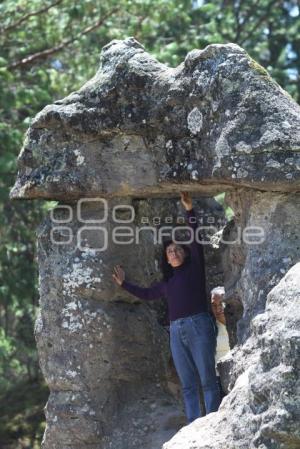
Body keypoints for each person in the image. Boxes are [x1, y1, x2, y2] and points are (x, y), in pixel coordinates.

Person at [112, 192, 221, 424]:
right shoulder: (167, 284)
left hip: (198, 324)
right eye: (169, 252)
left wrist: (189, 210)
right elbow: (147, 294)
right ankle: (194, 423)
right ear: (167, 260)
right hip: (176, 331)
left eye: (177, 250)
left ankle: (212, 420)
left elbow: (195, 240)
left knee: (207, 377)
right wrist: (124, 284)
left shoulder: (195, 270)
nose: (173, 252)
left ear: (184, 254)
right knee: (188, 382)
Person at [210, 286, 230, 399]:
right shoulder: (210, 327)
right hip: (217, 379)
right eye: (214, 305)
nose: (218, 309)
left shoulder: (241, 324)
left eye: (221, 304)